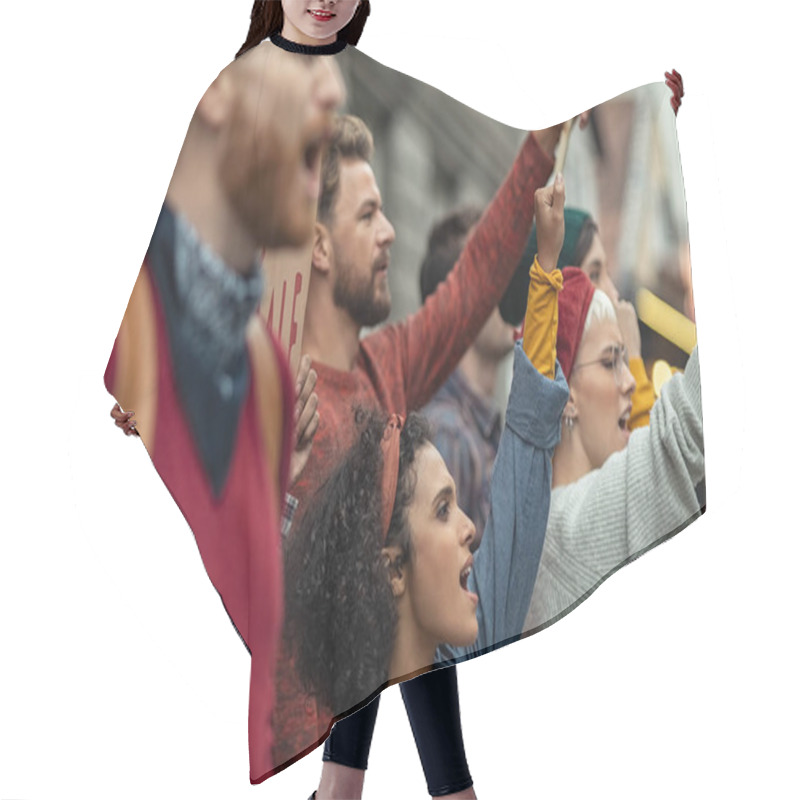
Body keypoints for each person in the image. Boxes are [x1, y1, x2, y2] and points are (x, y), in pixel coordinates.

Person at [271, 105, 572, 797]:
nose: (390, 232)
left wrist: (540, 146)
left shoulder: (388, 366)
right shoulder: (271, 400)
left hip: (391, 642)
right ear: (318, 245)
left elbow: (471, 283)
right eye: (369, 214)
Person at [104, 42, 345, 784]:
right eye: (304, 61)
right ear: (211, 89)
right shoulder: (122, 319)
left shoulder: (268, 375)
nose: (333, 86)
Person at [523, 267, 704, 631]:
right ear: (565, 394)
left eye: (625, 360)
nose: (629, 382)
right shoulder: (563, 526)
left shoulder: (543, 522)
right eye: (610, 362)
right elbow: (682, 431)